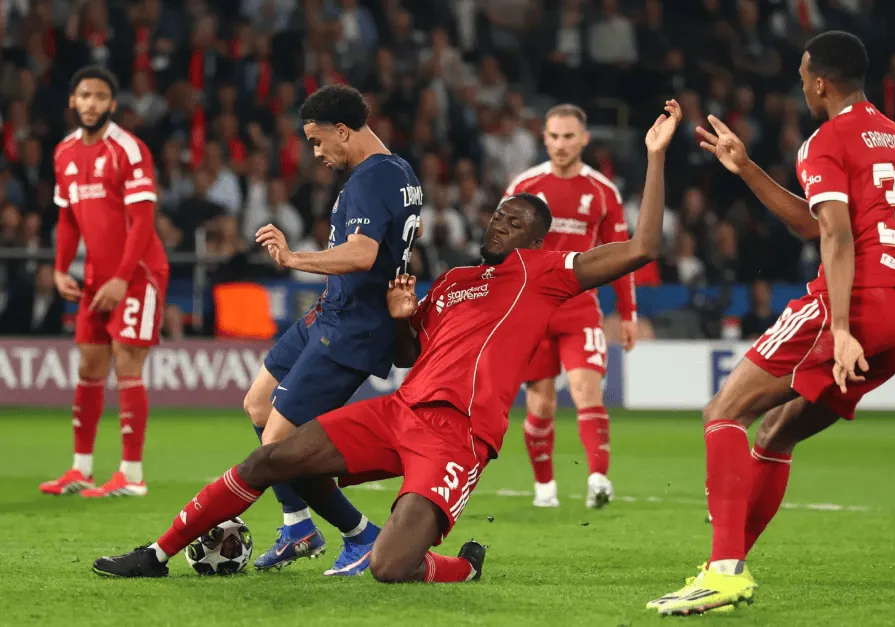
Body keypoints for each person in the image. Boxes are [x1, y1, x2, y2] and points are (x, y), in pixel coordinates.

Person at [91, 99, 682, 582]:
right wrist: (401, 317)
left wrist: (655, 158)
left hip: (458, 436)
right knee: (273, 455)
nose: (499, 225)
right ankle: (157, 553)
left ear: (537, 241)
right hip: (400, 411)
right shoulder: (453, 282)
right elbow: (405, 355)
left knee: (390, 567)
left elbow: (642, 248)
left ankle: (459, 566)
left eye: (515, 223)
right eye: (499, 216)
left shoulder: (545, 274)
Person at [647, 31, 895, 615]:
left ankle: (723, 572)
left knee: (723, 411)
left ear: (820, 83)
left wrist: (842, 328)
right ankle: (726, 569)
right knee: (776, 434)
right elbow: (815, 222)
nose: (801, 87)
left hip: (854, 302)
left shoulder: (826, 139)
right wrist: (747, 169)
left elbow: (836, 237)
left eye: (803, 78)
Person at [244, 84, 424, 575]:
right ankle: (297, 525)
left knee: (278, 445)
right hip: (331, 313)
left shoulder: (371, 178)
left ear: (343, 131)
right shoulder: (401, 172)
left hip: (351, 326)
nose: (317, 153)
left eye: (318, 141)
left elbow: (363, 254)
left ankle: (360, 535)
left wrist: (292, 258)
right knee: (258, 404)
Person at [40, 66, 168, 499]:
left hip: (139, 274)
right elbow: (66, 218)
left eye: (99, 96)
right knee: (89, 367)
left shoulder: (128, 149)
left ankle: (132, 475)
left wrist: (122, 278)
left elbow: (143, 221)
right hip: (95, 277)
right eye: (84, 95)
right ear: (72, 101)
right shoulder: (64, 152)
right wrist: (61, 268)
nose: (91, 103)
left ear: (112, 104)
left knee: (127, 364)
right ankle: (81, 470)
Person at [504, 104, 637, 509]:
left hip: (580, 307)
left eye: (568, 136)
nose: (560, 144)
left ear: (584, 139)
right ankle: (545, 489)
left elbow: (622, 255)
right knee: (541, 404)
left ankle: (598, 480)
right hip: (533, 310)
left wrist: (628, 314)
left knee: (586, 391)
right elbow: (500, 247)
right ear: (544, 138)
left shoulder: (602, 191)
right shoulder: (525, 185)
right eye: (554, 136)